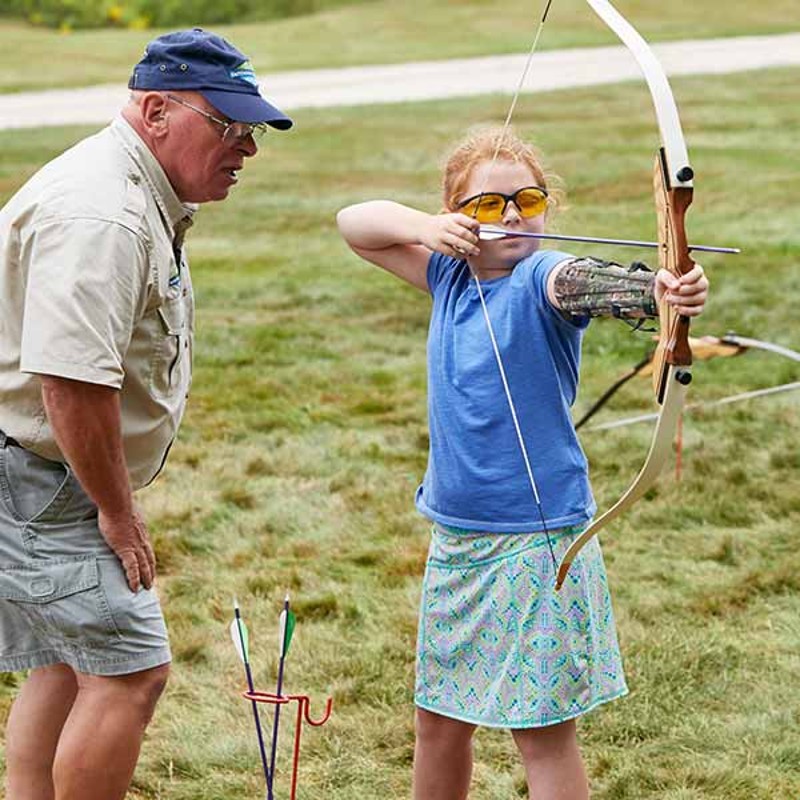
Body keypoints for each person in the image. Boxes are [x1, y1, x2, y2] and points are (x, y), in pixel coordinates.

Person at [337, 126, 709, 799]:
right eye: (488, 204)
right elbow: (354, 224)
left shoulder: (541, 277)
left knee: (540, 733)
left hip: (537, 541)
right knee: (440, 718)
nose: (511, 214)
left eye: (527, 200)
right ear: (455, 215)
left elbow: (585, 284)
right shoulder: (446, 275)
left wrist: (658, 291)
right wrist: (426, 226)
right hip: (458, 537)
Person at [0, 29, 292, 800]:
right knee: (132, 674)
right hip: (48, 480)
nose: (247, 148)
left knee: (64, 664)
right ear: (156, 110)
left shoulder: (128, 190)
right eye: (230, 127)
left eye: (252, 130)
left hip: (37, 471)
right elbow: (70, 386)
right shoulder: (103, 216)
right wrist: (117, 513)